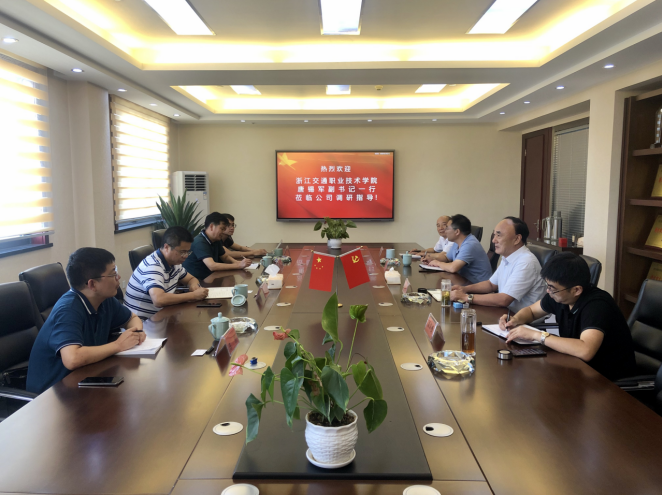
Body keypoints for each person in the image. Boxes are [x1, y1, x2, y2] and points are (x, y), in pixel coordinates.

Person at [501, 252, 637, 381]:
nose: (548, 291)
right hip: (577, 368)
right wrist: (515, 320)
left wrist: (537, 335)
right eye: (548, 286)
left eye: (552, 288)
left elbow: (586, 350)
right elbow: (531, 311)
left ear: (576, 290)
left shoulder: (597, 305)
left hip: (607, 379)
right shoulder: (559, 296)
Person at [26, 248, 145, 394]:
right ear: (92, 284)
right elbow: (72, 359)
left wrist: (136, 333)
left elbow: (132, 318)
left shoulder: (104, 300)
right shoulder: (68, 309)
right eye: (113, 274)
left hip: (86, 378)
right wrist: (118, 345)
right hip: (53, 393)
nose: (118, 277)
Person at [450, 217, 545, 312]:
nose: (494, 240)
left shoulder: (526, 262)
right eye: (494, 235)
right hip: (505, 313)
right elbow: (491, 284)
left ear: (517, 239)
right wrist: (464, 289)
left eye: (499, 235)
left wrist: (466, 297)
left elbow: (504, 299)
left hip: (522, 318)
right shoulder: (508, 257)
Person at [124, 226, 209, 319]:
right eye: (182, 252)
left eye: (188, 252)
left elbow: (191, 279)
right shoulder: (153, 266)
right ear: (166, 247)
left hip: (162, 316)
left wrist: (194, 286)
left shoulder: (174, 262)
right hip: (142, 323)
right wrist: (193, 295)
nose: (185, 256)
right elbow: (159, 300)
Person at [423, 214, 492, 284]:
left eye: (447, 228)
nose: (445, 231)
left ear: (457, 232)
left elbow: (453, 268)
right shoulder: (457, 242)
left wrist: (438, 263)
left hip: (477, 286)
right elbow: (446, 258)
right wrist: (432, 259)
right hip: (464, 281)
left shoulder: (470, 244)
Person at [183, 212, 252, 280]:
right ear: (211, 226)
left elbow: (225, 257)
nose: (223, 232)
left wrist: (237, 262)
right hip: (197, 281)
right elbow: (212, 266)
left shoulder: (216, 239)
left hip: (210, 277)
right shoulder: (200, 242)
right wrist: (238, 265)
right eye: (222, 229)